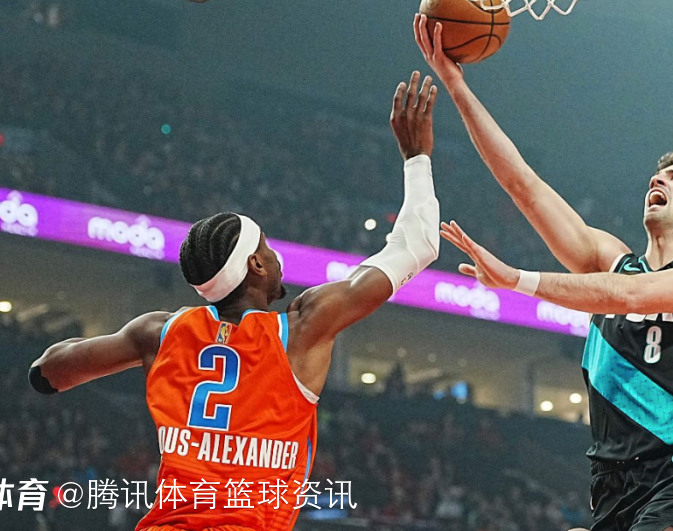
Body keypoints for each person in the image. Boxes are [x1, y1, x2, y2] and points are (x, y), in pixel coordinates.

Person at [28, 72, 440, 531]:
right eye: (266, 247)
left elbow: (47, 373)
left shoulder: (160, 332)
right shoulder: (300, 329)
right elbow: (419, 245)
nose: (275, 254)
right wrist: (416, 157)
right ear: (256, 266)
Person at [414, 15, 673, 531]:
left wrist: (519, 280)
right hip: (612, 481)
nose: (658, 179)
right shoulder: (608, 259)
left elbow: (632, 296)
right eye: (656, 175)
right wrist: (456, 84)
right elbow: (524, 186)